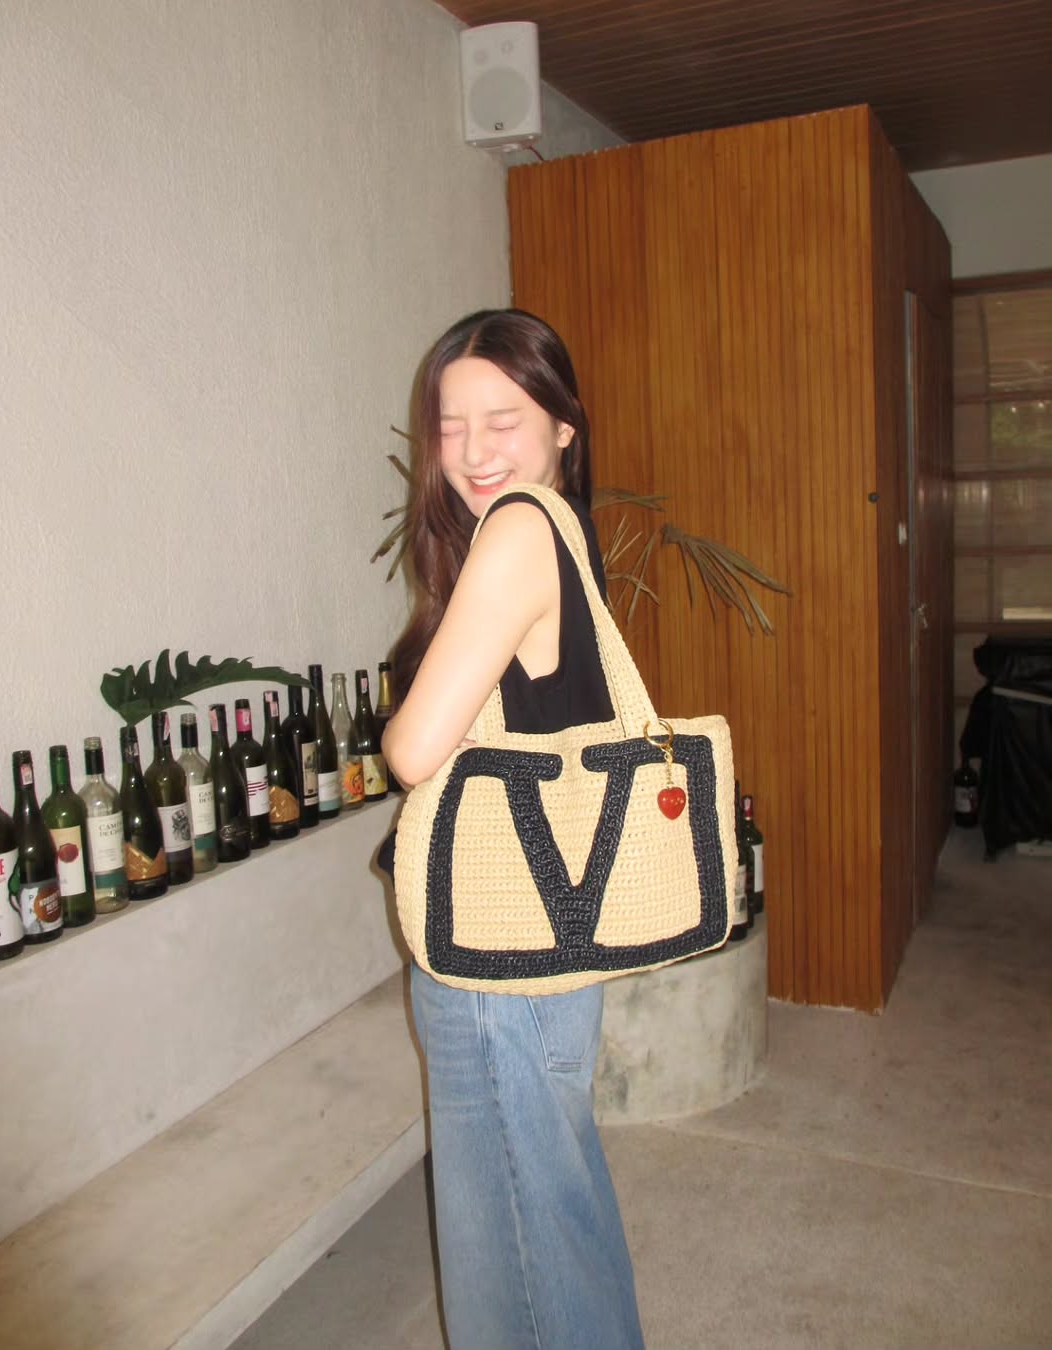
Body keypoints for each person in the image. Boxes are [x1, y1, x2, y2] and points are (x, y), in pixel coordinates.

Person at [382, 309, 645, 1350]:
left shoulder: (520, 531)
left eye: (505, 420)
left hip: (500, 957)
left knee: (515, 1258)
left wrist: (406, 713)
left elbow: (413, 749)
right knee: (553, 1224)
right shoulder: (564, 528)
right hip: (546, 942)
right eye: (452, 425)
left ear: (563, 426)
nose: (474, 450)